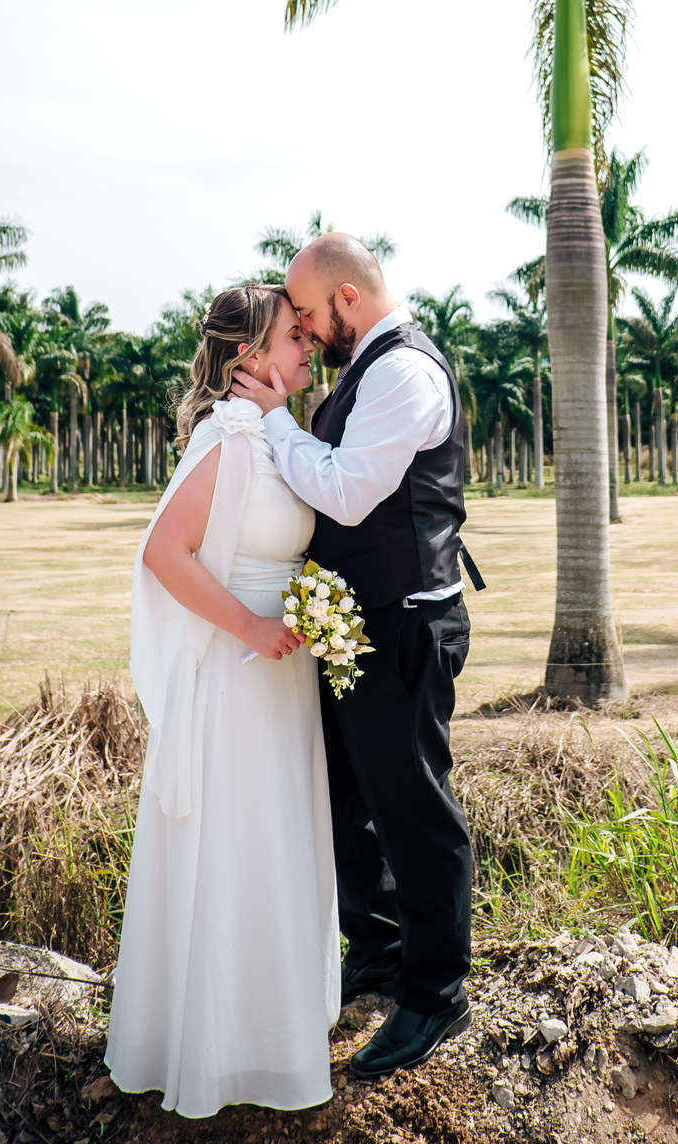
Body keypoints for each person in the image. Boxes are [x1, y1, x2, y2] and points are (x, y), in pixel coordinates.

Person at [232, 231, 476, 1080]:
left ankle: (435, 993)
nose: (301, 328)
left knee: (413, 808)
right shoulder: (365, 369)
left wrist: (274, 421)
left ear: (347, 298)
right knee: (345, 803)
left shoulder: (403, 372)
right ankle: (376, 952)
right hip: (357, 624)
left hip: (405, 624)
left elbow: (344, 491)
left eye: (305, 312)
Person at [106, 284, 340, 1119]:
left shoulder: (271, 431)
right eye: (294, 335)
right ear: (250, 355)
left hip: (279, 679)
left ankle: (271, 1038)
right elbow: (165, 553)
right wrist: (252, 624)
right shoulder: (230, 438)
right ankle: (223, 1049)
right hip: (239, 678)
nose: (309, 345)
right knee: (242, 847)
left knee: (275, 844)